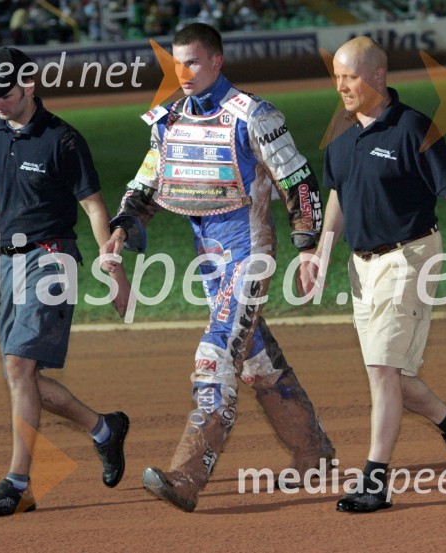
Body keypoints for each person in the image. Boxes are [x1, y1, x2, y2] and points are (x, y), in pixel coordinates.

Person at [100, 23, 334, 512]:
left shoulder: (255, 116)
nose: (183, 73)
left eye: (193, 62)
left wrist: (308, 246)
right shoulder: (169, 121)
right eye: (177, 63)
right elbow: (148, 180)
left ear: (217, 62)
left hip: (250, 256)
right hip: (210, 265)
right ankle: (315, 454)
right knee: (257, 362)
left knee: (215, 356)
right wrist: (124, 223)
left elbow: (299, 179)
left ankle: (188, 475)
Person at [0, 47, 133, 517]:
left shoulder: (63, 140)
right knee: (25, 378)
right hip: (6, 264)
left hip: (53, 257)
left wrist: (112, 268)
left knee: (18, 370)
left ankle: (17, 484)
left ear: (29, 86)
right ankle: (104, 430)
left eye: (4, 93)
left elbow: (95, 207)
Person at [304, 37, 446, 513]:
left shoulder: (414, 128)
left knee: (381, 369)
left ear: (377, 76)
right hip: (362, 267)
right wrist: (321, 254)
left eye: (350, 77)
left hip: (411, 258)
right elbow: (338, 197)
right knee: (392, 374)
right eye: (336, 77)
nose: (341, 86)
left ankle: (375, 481)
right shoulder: (340, 134)